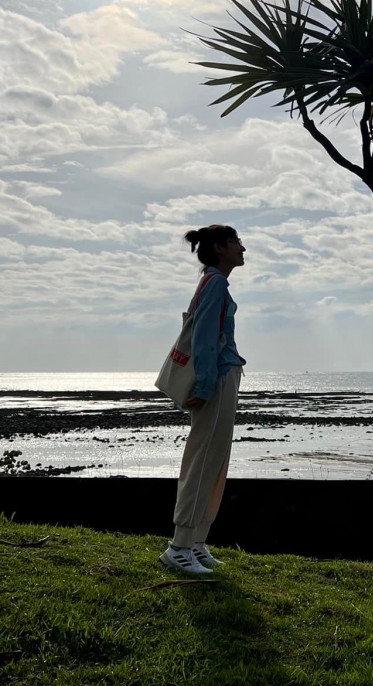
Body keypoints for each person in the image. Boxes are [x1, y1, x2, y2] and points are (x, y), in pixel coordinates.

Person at [159, 224, 247, 576]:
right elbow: (205, 338)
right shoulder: (215, 283)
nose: (242, 247)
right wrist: (207, 385)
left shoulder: (214, 283)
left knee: (214, 461)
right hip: (217, 381)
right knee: (204, 460)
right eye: (236, 242)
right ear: (219, 248)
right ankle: (179, 546)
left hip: (223, 377)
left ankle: (195, 541)